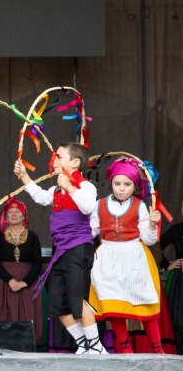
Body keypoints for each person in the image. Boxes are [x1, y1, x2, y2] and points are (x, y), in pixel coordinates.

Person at [14, 142, 105, 354]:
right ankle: (84, 344)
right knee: (57, 302)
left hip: (78, 248)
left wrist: (71, 186)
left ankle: (96, 346)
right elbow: (40, 196)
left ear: (75, 162)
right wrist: (24, 176)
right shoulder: (55, 189)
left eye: (59, 156)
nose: (54, 161)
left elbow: (88, 207)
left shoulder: (86, 186)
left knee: (76, 298)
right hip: (59, 251)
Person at [88, 157, 163, 354]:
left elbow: (148, 239)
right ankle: (125, 349)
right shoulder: (99, 205)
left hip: (134, 257)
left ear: (135, 186)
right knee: (113, 302)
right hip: (107, 258)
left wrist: (153, 224)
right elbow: (90, 231)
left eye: (127, 184)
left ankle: (157, 349)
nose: (122, 188)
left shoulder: (139, 206)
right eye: (117, 183)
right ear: (111, 183)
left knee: (144, 301)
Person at [0, 197, 44, 346]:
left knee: (29, 312)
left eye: (17, 212)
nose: (14, 214)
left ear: (24, 216)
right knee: (4, 311)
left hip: (28, 280)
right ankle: (3, 343)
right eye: (10, 212)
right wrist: (11, 280)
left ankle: (29, 343)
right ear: (6, 217)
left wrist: (25, 282)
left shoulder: (32, 236)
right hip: (5, 280)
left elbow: (38, 262)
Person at [161, 200, 183, 353]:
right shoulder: (176, 230)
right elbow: (155, 244)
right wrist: (167, 264)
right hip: (180, 282)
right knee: (179, 320)